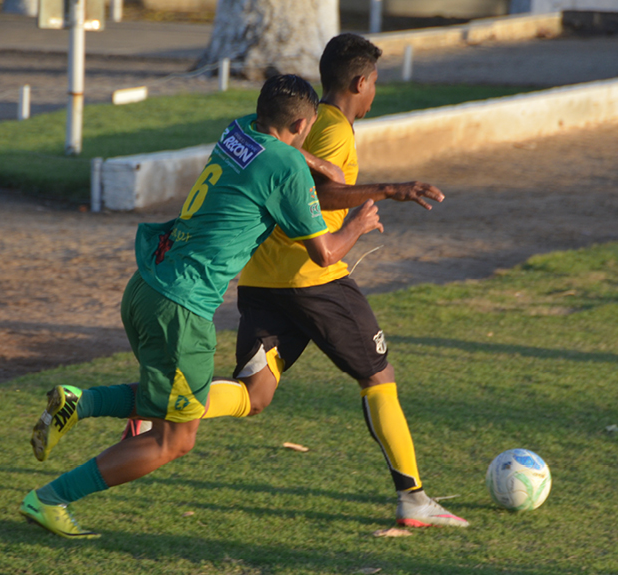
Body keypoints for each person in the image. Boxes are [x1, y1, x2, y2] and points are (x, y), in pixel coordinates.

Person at [19, 74, 384, 539]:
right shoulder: (286, 168)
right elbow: (326, 252)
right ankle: (49, 499)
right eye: (309, 129)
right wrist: (359, 220)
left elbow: (285, 149)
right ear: (301, 123)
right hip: (181, 309)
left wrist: (315, 162)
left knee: (171, 401)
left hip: (146, 286)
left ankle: (82, 401)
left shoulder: (239, 131)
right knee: (174, 438)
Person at [126, 34, 468, 528]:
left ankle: (155, 413)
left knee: (255, 394)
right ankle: (413, 499)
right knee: (378, 376)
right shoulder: (331, 129)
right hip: (313, 278)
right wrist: (386, 195)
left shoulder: (296, 124)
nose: (376, 92)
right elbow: (318, 194)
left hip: (264, 280)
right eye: (375, 83)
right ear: (360, 82)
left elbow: (290, 170)